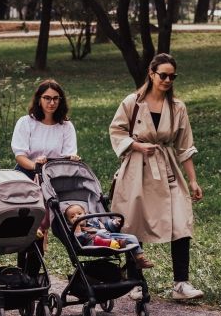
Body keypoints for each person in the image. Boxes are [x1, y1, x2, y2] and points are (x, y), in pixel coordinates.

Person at [109, 53, 205, 301]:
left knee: (181, 221)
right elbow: (116, 131)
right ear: (151, 74)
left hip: (168, 167)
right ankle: (135, 282)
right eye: (163, 75)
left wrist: (193, 179)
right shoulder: (132, 102)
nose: (167, 80)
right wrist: (137, 146)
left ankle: (181, 283)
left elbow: (185, 145)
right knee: (134, 221)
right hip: (137, 168)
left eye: (172, 76)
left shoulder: (177, 107)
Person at [10, 79, 79, 277]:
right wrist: (37, 167)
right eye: (47, 98)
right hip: (28, 174)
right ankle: (26, 273)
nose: (51, 102)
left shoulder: (66, 126)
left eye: (56, 98)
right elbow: (20, 155)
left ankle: (33, 273)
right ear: (39, 100)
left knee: (61, 221)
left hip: (55, 178)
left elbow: (69, 154)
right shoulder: (26, 122)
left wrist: (71, 159)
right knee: (32, 228)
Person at [63, 204, 154, 269]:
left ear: (86, 214)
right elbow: (79, 241)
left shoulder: (93, 222)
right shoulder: (74, 230)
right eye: (72, 216)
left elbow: (106, 226)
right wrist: (78, 231)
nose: (77, 217)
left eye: (79, 214)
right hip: (94, 242)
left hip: (109, 236)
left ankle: (139, 259)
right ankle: (116, 243)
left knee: (132, 237)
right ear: (68, 221)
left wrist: (114, 223)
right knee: (99, 236)